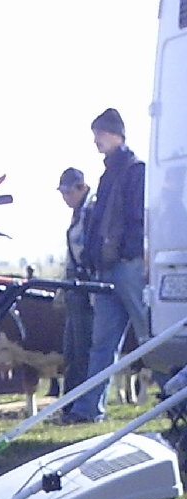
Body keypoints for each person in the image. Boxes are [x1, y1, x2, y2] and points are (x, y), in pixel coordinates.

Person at [64, 109, 148, 423]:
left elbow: (137, 217)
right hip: (110, 268)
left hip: (127, 266)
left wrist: (128, 252)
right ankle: (88, 410)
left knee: (149, 337)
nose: (96, 140)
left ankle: (174, 394)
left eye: (99, 133)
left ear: (115, 134)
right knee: (103, 343)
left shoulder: (135, 170)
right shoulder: (110, 173)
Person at [56, 167, 95, 406]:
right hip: (74, 286)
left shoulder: (92, 211)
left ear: (83, 188)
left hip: (86, 286)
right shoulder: (79, 213)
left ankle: (80, 402)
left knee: (82, 349)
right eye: (63, 192)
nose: (66, 197)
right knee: (70, 350)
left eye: (70, 192)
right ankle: (69, 402)